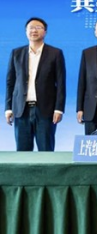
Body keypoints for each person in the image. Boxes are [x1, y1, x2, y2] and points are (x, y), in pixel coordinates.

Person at [5, 17, 66, 151]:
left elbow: (61, 83)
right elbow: (10, 82)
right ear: (26, 31)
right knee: (22, 152)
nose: (34, 30)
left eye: (38, 28)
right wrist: (8, 108)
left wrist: (58, 109)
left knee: (46, 150)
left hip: (45, 110)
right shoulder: (16, 53)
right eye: (31, 28)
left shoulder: (55, 53)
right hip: (21, 110)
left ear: (45, 32)